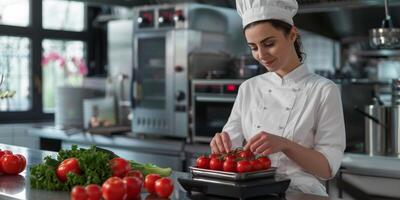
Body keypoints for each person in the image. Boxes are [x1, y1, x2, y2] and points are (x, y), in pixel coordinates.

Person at [210, 0, 346, 196]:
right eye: (253, 47)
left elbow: (326, 169)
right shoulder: (249, 88)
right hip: (252, 192)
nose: (261, 55)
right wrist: (220, 144)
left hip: (301, 194)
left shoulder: (323, 90)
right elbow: (229, 148)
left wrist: (285, 144)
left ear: (292, 34)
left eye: (269, 44)